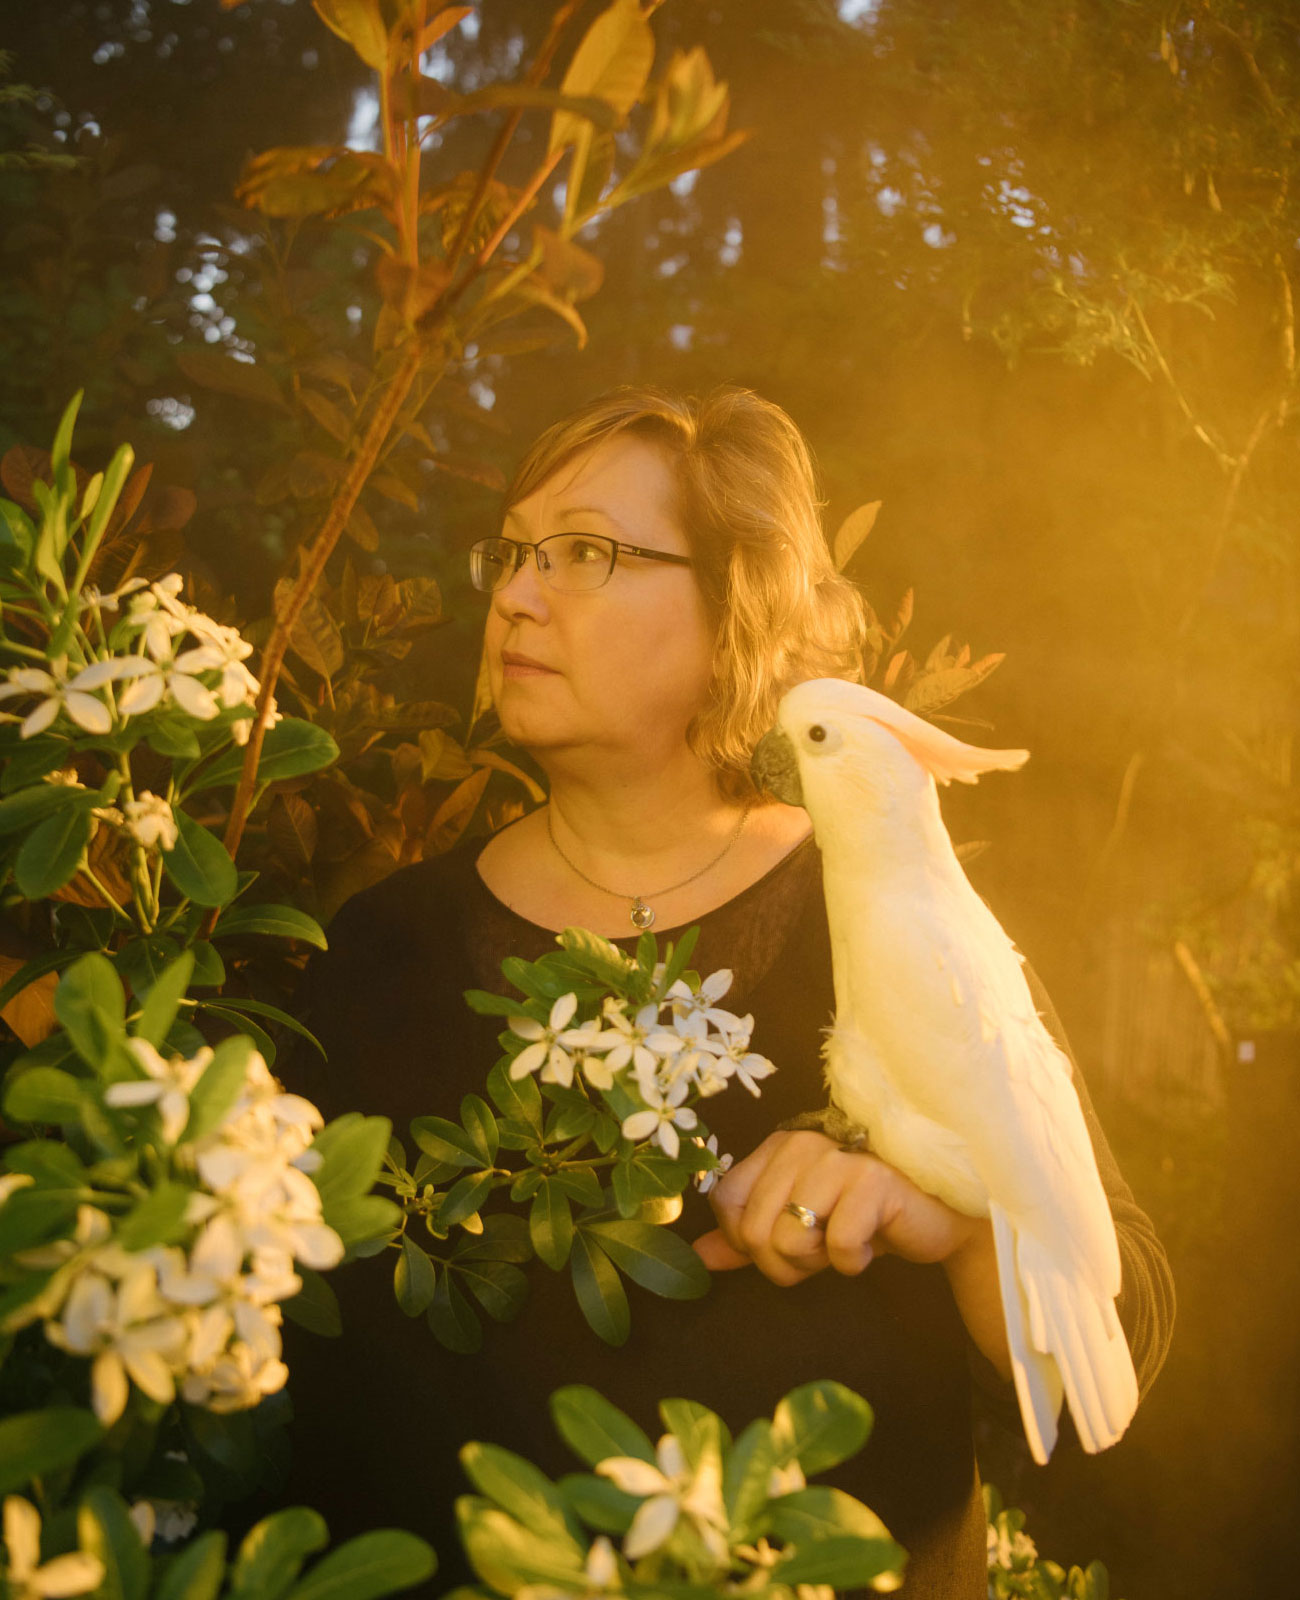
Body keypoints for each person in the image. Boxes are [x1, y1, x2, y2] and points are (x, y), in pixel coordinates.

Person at [277, 386, 1174, 1598]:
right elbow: (309, 1389)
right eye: (516, 550)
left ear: (736, 607)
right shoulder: (386, 949)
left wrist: (960, 1213)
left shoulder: (880, 916)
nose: (515, 593)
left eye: (586, 552)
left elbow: (1122, 1330)